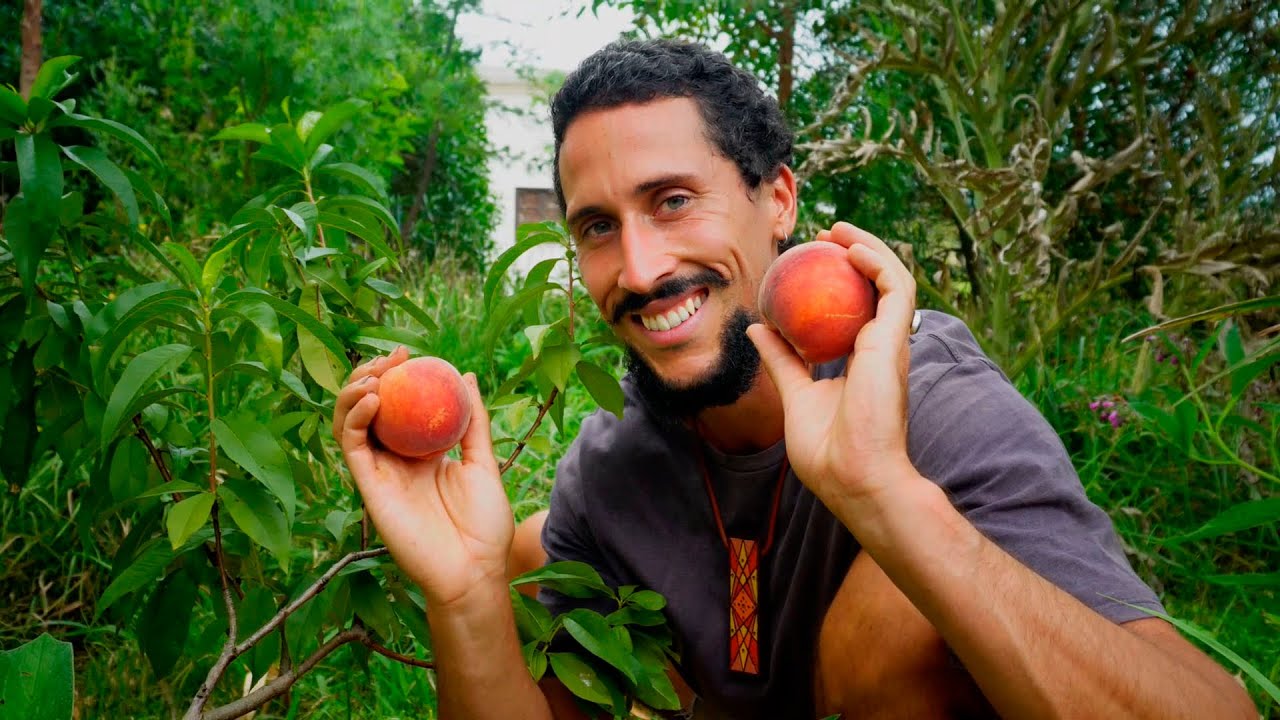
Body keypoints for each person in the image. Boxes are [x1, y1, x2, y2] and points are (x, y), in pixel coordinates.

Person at [334, 39, 1256, 719]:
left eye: (673, 200)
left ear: (777, 200)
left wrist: (887, 496)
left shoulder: (930, 399)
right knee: (527, 558)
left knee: (896, 612)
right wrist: (462, 594)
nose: (641, 267)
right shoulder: (614, 465)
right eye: (598, 226)